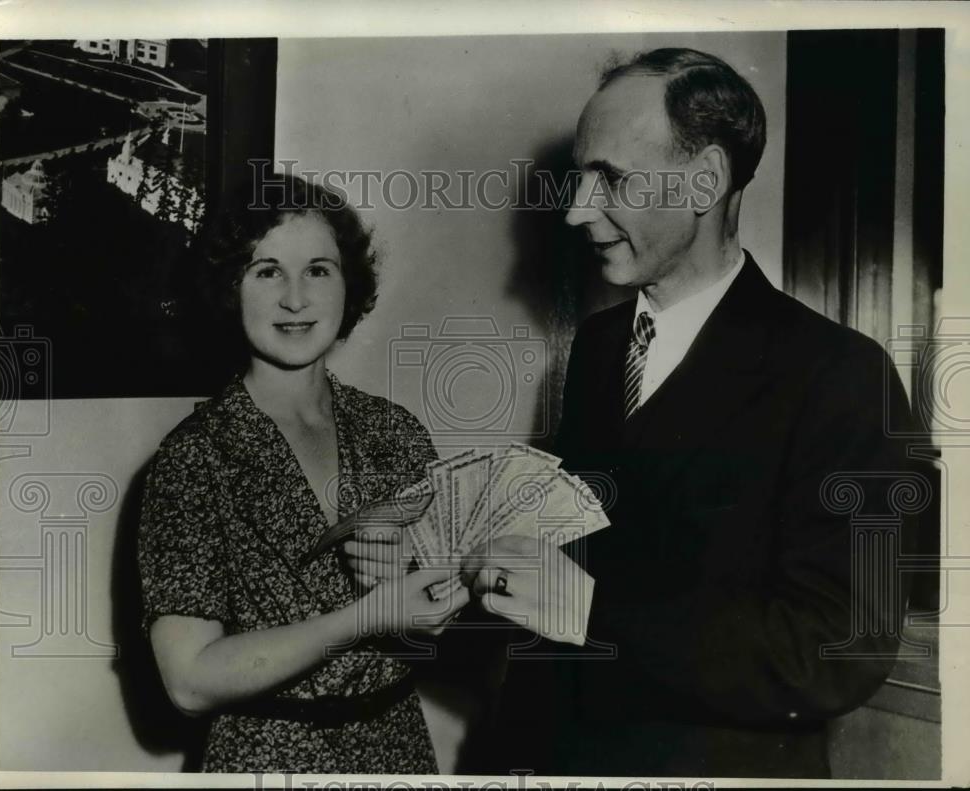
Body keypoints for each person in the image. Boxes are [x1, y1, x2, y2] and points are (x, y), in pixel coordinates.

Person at [469, 48, 916, 778]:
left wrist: (591, 610)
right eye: (578, 176)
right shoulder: (597, 346)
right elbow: (576, 556)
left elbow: (841, 648)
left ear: (705, 179)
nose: (577, 209)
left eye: (608, 178)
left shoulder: (841, 373)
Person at [138, 173, 468, 773]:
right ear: (229, 287)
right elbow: (189, 682)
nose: (296, 298)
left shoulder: (396, 432)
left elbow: (444, 619)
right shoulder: (194, 459)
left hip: (397, 749)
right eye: (266, 271)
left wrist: (427, 583)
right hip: (267, 756)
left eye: (318, 269)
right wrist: (370, 614)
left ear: (348, 284)